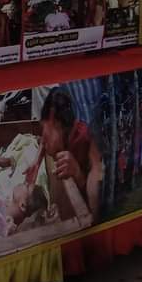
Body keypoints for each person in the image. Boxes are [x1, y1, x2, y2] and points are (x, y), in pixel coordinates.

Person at [40, 88, 103, 220]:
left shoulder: (83, 140)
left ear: (59, 126)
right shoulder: (61, 136)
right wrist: (36, 161)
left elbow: (94, 210)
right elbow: (44, 142)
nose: (44, 141)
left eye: (47, 134)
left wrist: (77, 173)